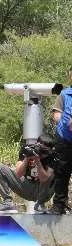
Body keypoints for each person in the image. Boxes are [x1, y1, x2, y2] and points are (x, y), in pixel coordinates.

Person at [0, 137, 56, 214]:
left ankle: (41, 204)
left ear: (50, 151)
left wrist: (38, 161)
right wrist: (27, 158)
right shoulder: (27, 150)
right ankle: (7, 202)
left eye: (44, 151)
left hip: (44, 191)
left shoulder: (53, 157)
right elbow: (18, 174)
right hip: (26, 187)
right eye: (39, 147)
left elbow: (44, 179)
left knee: (58, 174)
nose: (40, 153)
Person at [50, 75, 72, 214]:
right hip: (64, 139)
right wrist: (65, 121)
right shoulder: (64, 94)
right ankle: (59, 205)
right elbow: (56, 114)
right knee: (61, 172)